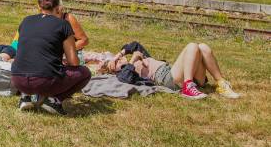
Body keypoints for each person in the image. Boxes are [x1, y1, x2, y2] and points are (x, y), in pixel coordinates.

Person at [11, 0, 92, 115]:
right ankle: (54, 100)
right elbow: (74, 62)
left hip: (17, 79)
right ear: (59, 8)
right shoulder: (63, 25)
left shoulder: (26, 21)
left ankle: (25, 96)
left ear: (39, 6)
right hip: (43, 81)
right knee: (85, 72)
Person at [100, 42, 240, 99]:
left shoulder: (141, 57)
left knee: (202, 47)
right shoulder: (122, 73)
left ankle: (221, 84)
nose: (119, 61)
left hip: (174, 71)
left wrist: (119, 55)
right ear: (113, 69)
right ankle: (188, 87)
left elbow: (135, 44)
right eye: (116, 63)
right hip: (167, 78)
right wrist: (132, 61)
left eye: (118, 59)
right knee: (192, 46)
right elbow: (126, 80)